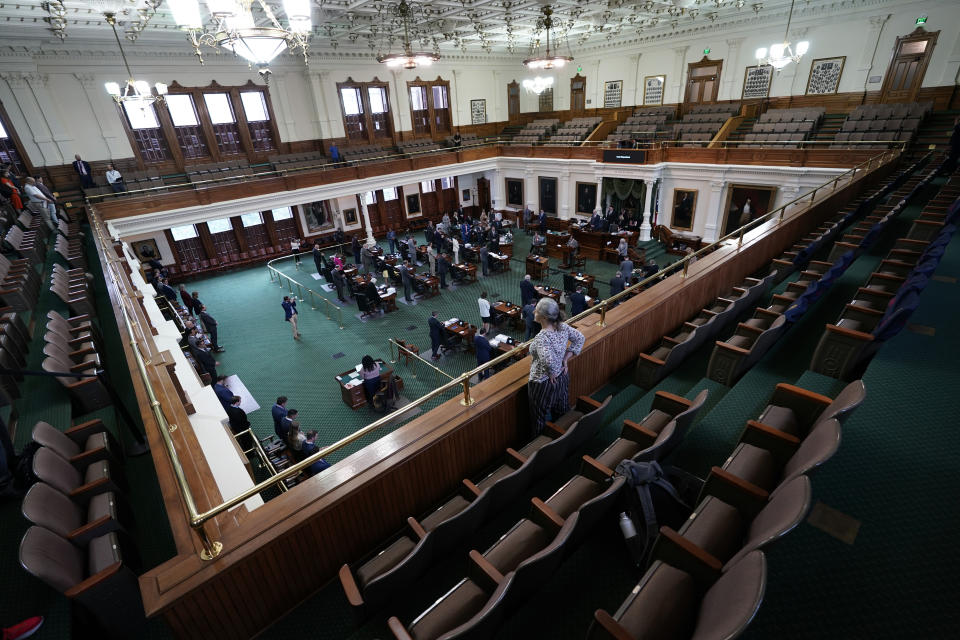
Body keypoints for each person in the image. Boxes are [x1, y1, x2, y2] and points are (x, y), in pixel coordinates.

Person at [527, 297, 585, 435]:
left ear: (544, 317)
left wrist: (552, 371)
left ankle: (541, 447)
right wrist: (565, 359)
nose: (534, 310)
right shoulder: (562, 326)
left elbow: (549, 362)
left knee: (539, 419)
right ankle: (564, 438)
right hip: (562, 377)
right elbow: (580, 338)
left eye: (537, 309)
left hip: (543, 383)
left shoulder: (542, 337)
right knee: (562, 413)